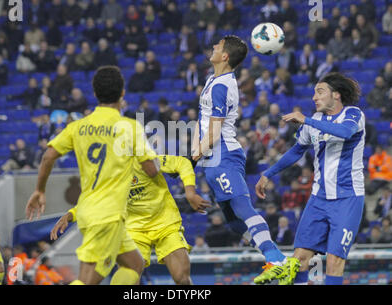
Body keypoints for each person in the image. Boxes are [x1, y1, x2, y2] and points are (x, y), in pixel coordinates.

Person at [25, 66, 160, 285]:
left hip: (90, 211)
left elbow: (48, 156)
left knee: (134, 265)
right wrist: (155, 156)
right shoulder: (129, 127)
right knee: (88, 281)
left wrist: (39, 190)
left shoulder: (78, 126)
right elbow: (151, 170)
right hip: (108, 215)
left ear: (95, 94)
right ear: (122, 93)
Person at [191, 35, 298, 285]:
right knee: (233, 222)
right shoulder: (212, 80)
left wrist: (191, 157)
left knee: (242, 209)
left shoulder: (221, 85)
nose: (213, 47)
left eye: (217, 46)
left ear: (225, 55)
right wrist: (195, 154)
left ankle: (278, 260)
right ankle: (278, 259)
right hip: (211, 159)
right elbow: (202, 121)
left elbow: (215, 131)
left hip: (224, 155)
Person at [256, 72, 366, 285]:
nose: (314, 97)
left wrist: (305, 120)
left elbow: (345, 132)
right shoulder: (315, 121)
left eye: (320, 92)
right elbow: (297, 151)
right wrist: (267, 173)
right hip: (318, 199)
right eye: (314, 93)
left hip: (347, 199)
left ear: (336, 95)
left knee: (334, 260)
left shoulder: (353, 114)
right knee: (299, 259)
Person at [52, 155, 210, 285]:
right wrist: (70, 214)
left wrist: (190, 193)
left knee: (181, 278)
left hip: (165, 223)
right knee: (128, 276)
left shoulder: (143, 161)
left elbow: (181, 163)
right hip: (134, 229)